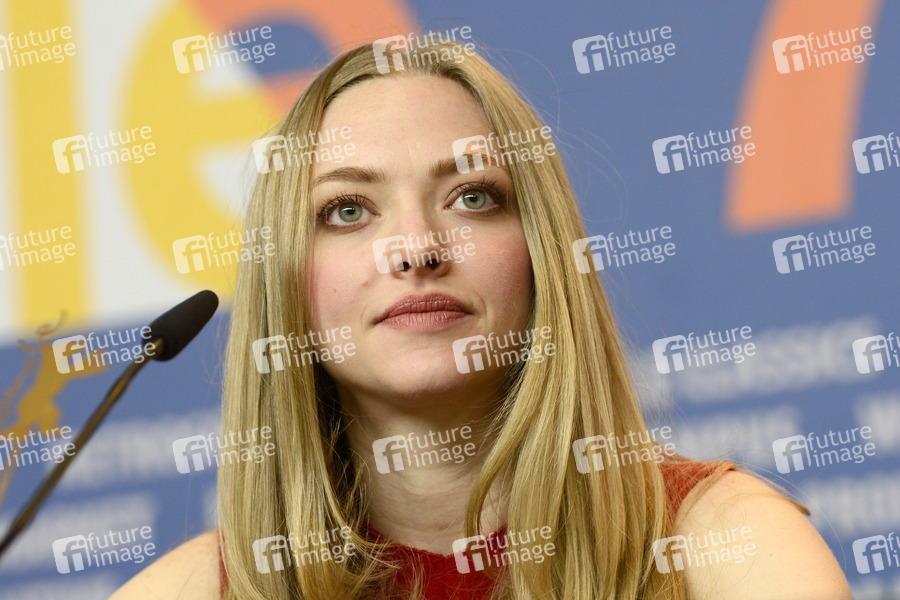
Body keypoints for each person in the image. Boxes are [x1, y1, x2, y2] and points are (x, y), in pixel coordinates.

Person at [110, 39, 853, 599]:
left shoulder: (730, 547)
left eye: (471, 197)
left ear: (541, 254)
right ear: (285, 285)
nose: (416, 249)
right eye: (348, 211)